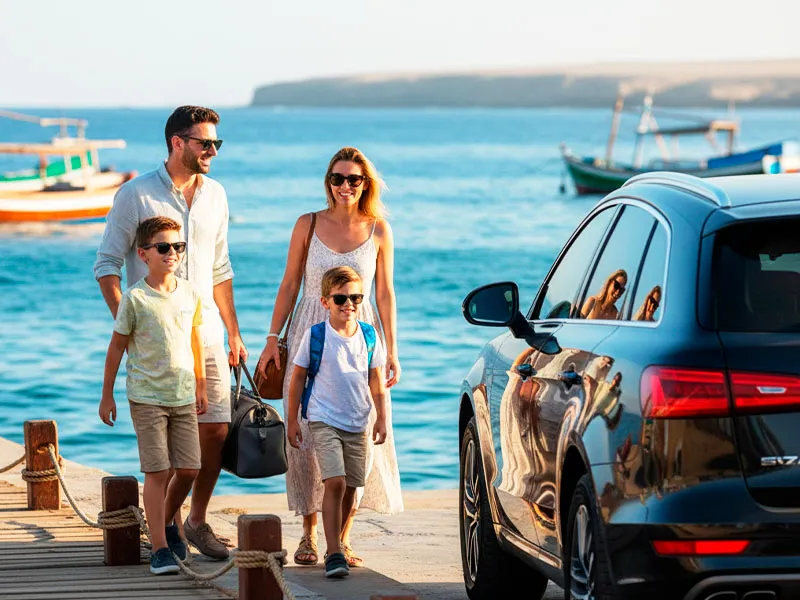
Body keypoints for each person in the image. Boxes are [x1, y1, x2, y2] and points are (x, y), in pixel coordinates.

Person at [94, 105, 247, 560]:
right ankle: (167, 531)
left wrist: (235, 332)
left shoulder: (217, 195)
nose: (213, 152)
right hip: (158, 347)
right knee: (164, 452)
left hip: (208, 335)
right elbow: (106, 266)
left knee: (216, 430)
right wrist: (136, 324)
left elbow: (220, 268)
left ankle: (190, 520)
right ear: (177, 143)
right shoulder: (134, 195)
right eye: (205, 143)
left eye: (217, 144)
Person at [257, 147, 403, 568]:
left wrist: (392, 349)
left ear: (365, 184)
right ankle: (308, 532)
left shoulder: (378, 230)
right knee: (306, 429)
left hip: (361, 336)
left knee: (361, 429)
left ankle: (343, 538)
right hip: (309, 329)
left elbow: (385, 293)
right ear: (328, 181)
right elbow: (288, 284)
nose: (345, 186)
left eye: (354, 180)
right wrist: (272, 337)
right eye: (337, 178)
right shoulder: (308, 223)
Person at [98, 216, 205, 575]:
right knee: (158, 471)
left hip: (183, 395)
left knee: (189, 468)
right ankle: (159, 546)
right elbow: (116, 349)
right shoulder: (135, 298)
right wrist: (106, 396)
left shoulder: (190, 292)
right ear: (143, 254)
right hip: (146, 396)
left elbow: (195, 340)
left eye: (178, 246)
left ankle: (170, 524)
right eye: (163, 247)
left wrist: (201, 385)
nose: (172, 253)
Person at [286, 266, 387, 578]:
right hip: (323, 418)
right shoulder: (316, 336)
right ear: (325, 301)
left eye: (355, 297)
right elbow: (298, 377)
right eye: (341, 298)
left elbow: (376, 380)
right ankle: (333, 553)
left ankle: (339, 542)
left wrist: (382, 417)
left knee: (353, 486)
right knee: (335, 481)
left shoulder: (369, 335)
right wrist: (291, 420)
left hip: (358, 421)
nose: (349, 304)